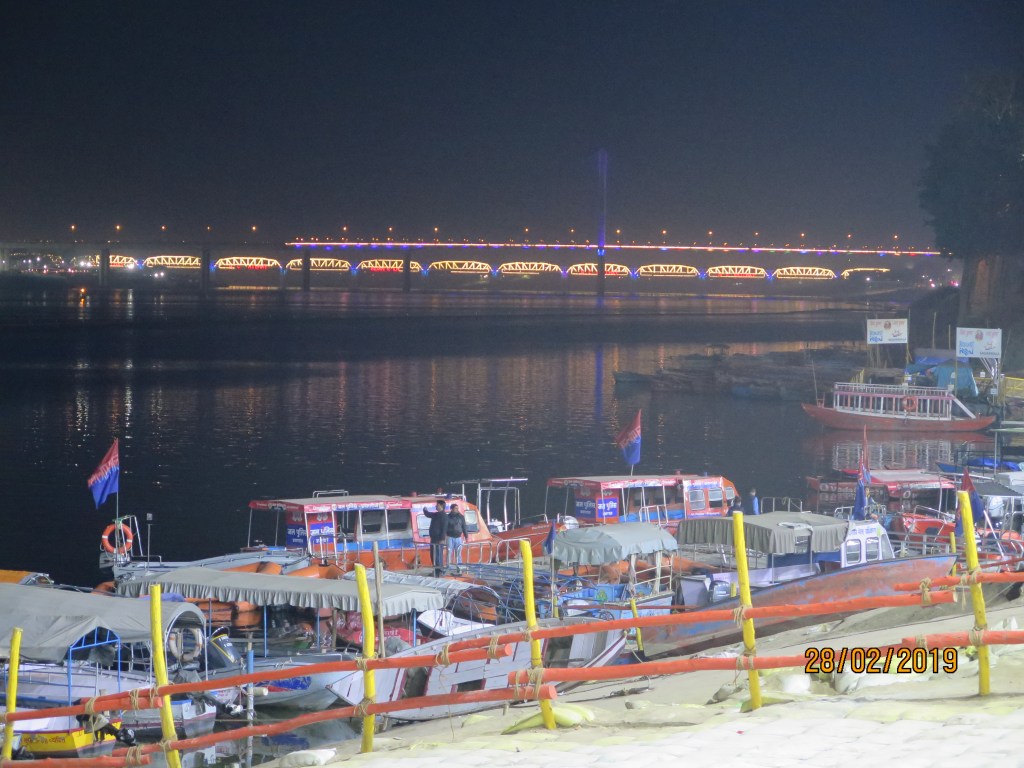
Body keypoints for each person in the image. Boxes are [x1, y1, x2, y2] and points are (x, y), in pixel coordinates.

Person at [424, 498, 448, 576]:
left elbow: (444, 528)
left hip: (438, 539)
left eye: (437, 505)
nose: (435, 506)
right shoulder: (436, 514)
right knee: (433, 555)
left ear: (441, 506)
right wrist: (425, 510)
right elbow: (428, 514)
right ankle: (436, 570)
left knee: (438, 555)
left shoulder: (444, 516)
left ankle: (440, 571)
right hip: (433, 538)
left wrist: (442, 539)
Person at [446, 502, 468, 570]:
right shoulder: (448, 517)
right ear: (451, 509)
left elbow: (464, 526)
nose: (457, 509)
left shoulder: (461, 517)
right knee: (449, 551)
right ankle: (448, 565)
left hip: (458, 537)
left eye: (457, 508)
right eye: (455, 508)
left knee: (458, 552)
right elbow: (445, 527)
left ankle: (459, 564)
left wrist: (466, 535)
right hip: (450, 537)